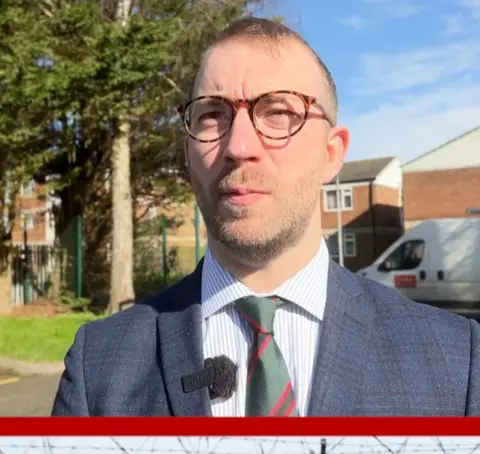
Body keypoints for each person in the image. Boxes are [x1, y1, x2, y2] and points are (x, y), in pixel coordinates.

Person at [52, 17, 480, 416]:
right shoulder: (100, 370)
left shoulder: (456, 364)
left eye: (278, 112)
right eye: (212, 115)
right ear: (188, 154)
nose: (239, 145)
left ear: (332, 154)